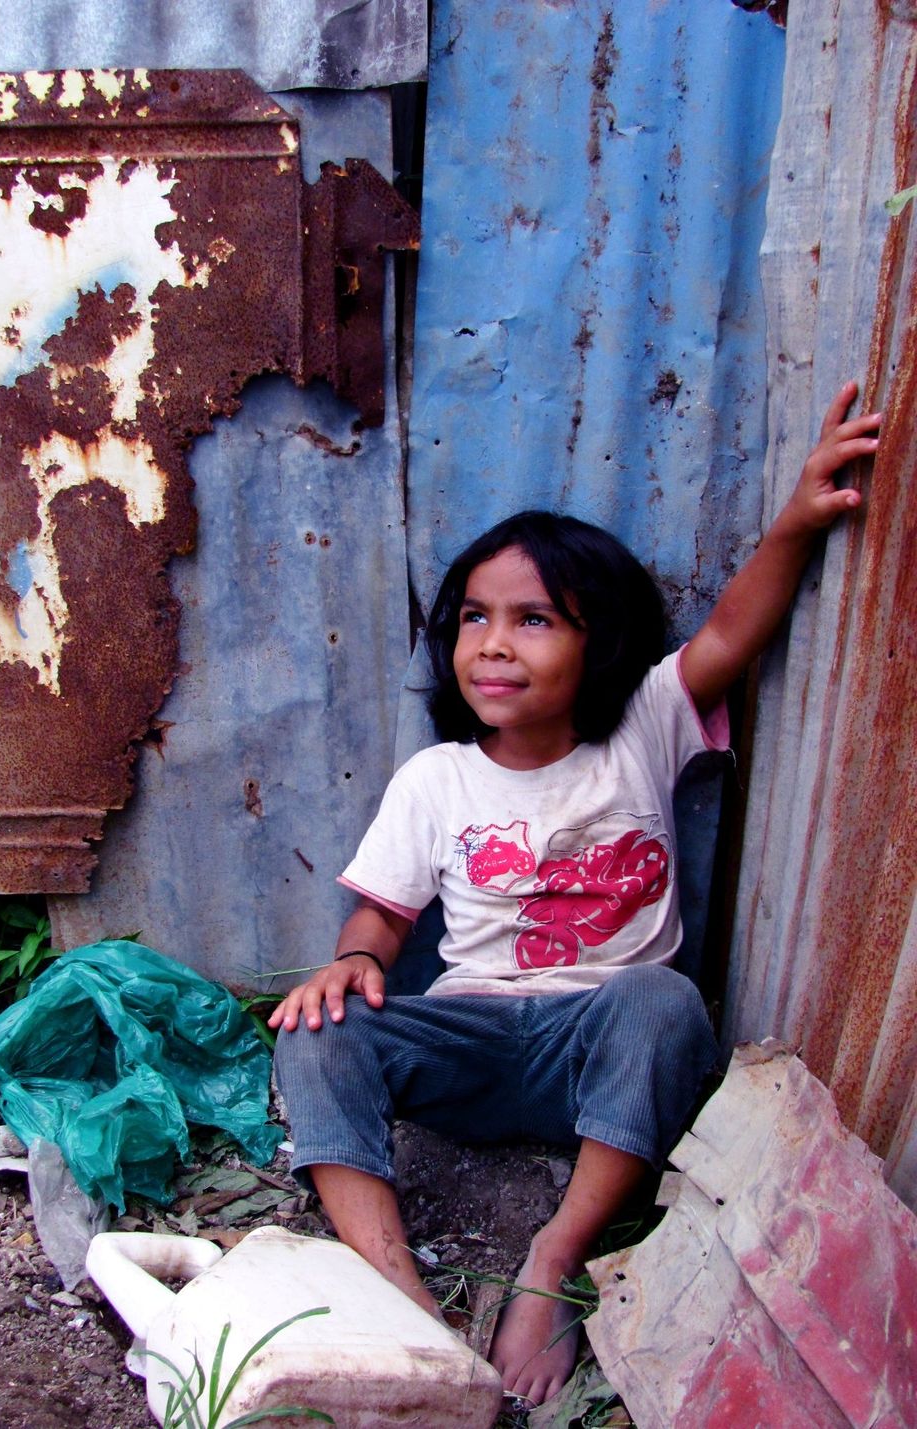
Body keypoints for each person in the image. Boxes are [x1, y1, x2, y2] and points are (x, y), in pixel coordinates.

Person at [269, 382, 880, 1407]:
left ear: (599, 645)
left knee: (663, 999)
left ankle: (552, 1262)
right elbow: (382, 917)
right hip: (469, 1040)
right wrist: (356, 960)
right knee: (315, 1029)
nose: (494, 643)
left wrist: (800, 516)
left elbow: (733, 629)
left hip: (598, 1045)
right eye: (474, 617)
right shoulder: (438, 779)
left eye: (533, 620)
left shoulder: (645, 724)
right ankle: (400, 1294)